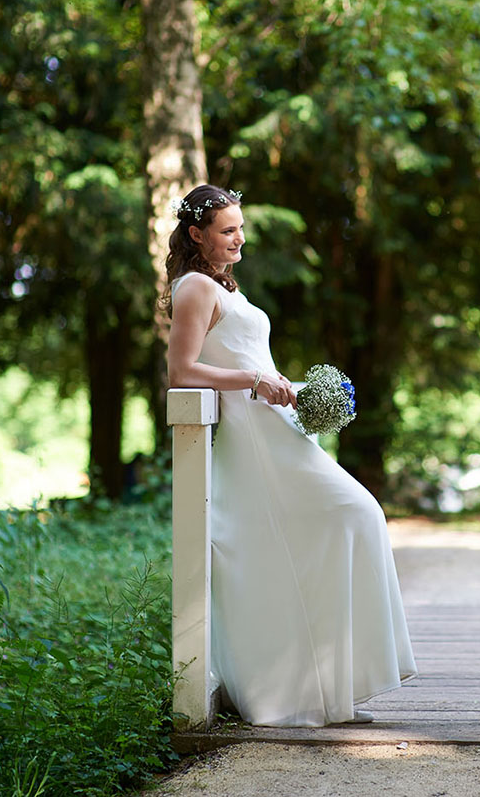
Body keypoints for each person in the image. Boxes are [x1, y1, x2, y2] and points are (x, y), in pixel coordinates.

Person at [164, 184, 416, 727]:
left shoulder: (220, 286)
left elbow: (246, 354)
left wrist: (296, 390)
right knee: (356, 513)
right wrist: (254, 381)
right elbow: (181, 372)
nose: (239, 238)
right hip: (255, 439)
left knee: (340, 527)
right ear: (196, 235)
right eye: (227, 230)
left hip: (279, 429)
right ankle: (292, 690)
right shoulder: (192, 289)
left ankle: (328, 688)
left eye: (240, 227)